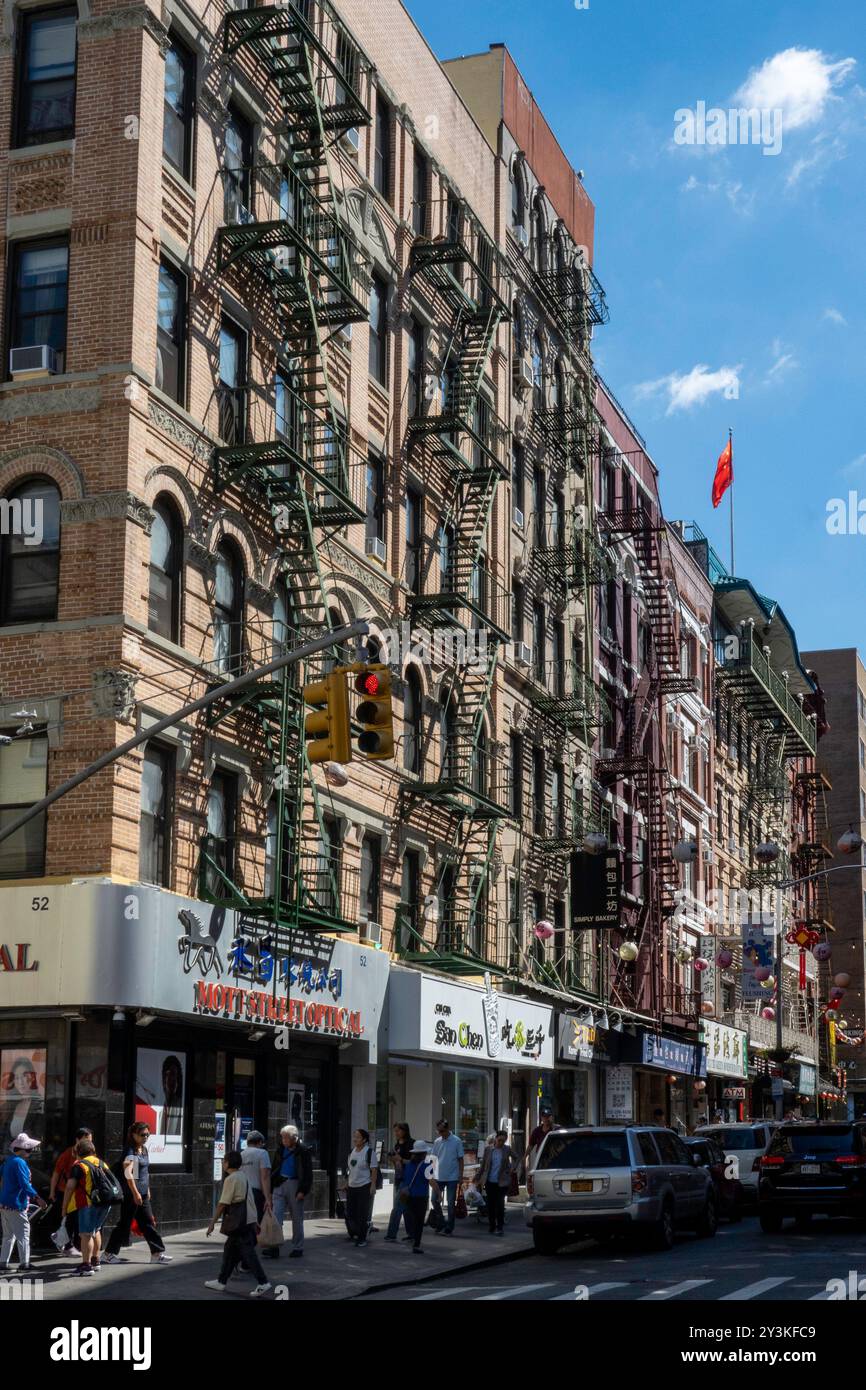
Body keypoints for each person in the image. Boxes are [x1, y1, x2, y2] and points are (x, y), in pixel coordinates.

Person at [103, 1121, 171, 1265]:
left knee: (148, 1223)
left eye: (147, 1134)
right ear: (134, 1135)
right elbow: (129, 1173)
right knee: (124, 1224)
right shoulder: (131, 1150)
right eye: (142, 1135)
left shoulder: (143, 1150)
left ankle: (157, 1253)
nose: (145, 1137)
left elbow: (144, 1172)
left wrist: (147, 1189)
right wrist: (135, 1193)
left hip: (142, 1193)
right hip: (132, 1194)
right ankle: (108, 1254)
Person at [205, 1150, 272, 1297]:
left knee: (248, 1253)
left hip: (238, 1223)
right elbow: (250, 1200)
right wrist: (254, 1221)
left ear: (228, 1163)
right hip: (246, 1221)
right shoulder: (243, 1176)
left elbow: (222, 1204)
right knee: (229, 1249)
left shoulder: (231, 1179)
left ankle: (263, 1282)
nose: (223, 1163)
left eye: (224, 1160)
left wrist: (212, 1224)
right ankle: (221, 1281)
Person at [63, 1138, 112, 1277]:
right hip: (104, 1203)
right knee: (96, 1230)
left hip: (88, 1204)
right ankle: (96, 1261)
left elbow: (69, 1187)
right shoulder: (102, 1163)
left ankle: (86, 1265)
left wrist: (64, 1207)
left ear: (78, 1152)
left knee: (85, 1234)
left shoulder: (79, 1166)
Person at [0, 1132, 46, 1272]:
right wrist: (38, 1198)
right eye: (28, 1149)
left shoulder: (9, 1161)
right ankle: (24, 1264)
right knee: (23, 1234)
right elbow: (25, 1184)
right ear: (20, 1149)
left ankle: (3, 1263)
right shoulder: (20, 1163)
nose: (30, 1152)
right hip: (16, 1204)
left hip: (5, 1202)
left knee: (8, 1235)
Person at [266, 1124, 312, 1260]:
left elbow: (308, 1173)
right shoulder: (280, 1149)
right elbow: (275, 1167)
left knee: (297, 1218)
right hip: (279, 1184)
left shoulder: (303, 1150)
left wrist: (303, 1190)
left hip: (295, 1184)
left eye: (286, 1138)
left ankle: (298, 1247)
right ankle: (274, 1247)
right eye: (282, 1137)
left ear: (294, 1138)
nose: (283, 1140)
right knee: (276, 1217)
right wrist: (270, 1189)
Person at [49, 1126, 92, 1254]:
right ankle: (67, 1245)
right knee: (69, 1219)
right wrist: (52, 1192)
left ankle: (68, 1242)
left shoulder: (89, 1154)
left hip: (80, 1192)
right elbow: (56, 1173)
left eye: (90, 1140)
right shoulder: (68, 1154)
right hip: (66, 1191)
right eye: (86, 1140)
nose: (89, 1143)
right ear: (77, 1140)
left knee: (75, 1219)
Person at [477, 1130, 515, 1236]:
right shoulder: (488, 1150)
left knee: (500, 1204)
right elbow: (483, 1165)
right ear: (496, 1139)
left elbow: (517, 1157)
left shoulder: (507, 1149)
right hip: (489, 1181)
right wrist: (478, 1178)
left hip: (502, 1182)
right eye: (499, 1140)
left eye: (503, 1141)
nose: (501, 1143)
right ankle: (492, 1225)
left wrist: (512, 1168)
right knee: (491, 1205)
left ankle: (500, 1227)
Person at [345, 1128, 378, 1247]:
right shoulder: (351, 1152)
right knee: (350, 1213)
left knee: (362, 1214)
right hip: (352, 1186)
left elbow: (374, 1170)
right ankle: (359, 1230)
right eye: (354, 1136)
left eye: (358, 1137)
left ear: (364, 1139)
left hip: (364, 1186)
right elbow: (350, 1169)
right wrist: (347, 1183)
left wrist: (373, 1185)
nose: (355, 1139)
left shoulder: (369, 1152)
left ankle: (362, 1238)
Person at [431, 1118, 464, 1235]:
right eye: (438, 1131)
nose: (440, 1133)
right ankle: (441, 1222)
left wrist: (460, 1175)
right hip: (438, 1176)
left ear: (447, 1129)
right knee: (434, 1200)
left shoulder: (456, 1141)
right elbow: (433, 1159)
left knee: (450, 1203)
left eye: (442, 1131)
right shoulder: (437, 1142)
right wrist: (431, 1174)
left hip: (452, 1177)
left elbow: (460, 1159)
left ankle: (449, 1227)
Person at [399, 1139, 431, 1254]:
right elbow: (432, 1181)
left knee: (412, 1219)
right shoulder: (427, 1166)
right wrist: (439, 1194)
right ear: (424, 1153)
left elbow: (404, 1178)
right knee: (419, 1221)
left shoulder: (408, 1165)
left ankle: (412, 1237)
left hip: (409, 1196)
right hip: (421, 1196)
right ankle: (416, 1244)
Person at [384, 1122, 414, 1242]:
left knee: (397, 1207)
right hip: (398, 1178)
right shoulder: (397, 1145)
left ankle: (391, 1234)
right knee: (405, 1208)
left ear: (404, 1131)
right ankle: (412, 1234)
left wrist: (401, 1159)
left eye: (398, 1131)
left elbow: (414, 1163)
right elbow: (397, 1164)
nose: (396, 1133)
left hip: (407, 1181)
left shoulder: (412, 1144)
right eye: (395, 1131)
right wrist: (393, 1160)